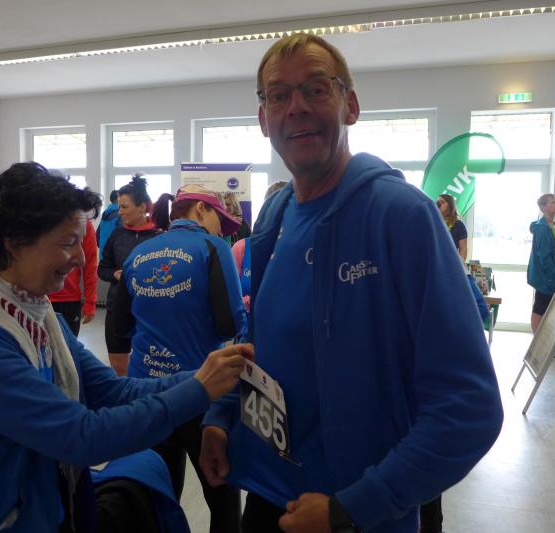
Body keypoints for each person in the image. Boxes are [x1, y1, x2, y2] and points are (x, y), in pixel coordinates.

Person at [199, 34, 503, 533]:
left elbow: (470, 408)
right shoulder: (274, 218)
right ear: (263, 119)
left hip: (361, 512)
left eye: (316, 88)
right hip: (270, 494)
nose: (296, 107)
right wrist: (222, 415)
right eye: (278, 95)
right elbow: (262, 342)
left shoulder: (402, 216)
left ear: (351, 105)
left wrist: (351, 509)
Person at [0, 162, 254, 533]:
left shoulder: (37, 317)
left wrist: (203, 377)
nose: (82, 258)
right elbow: (82, 437)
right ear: (13, 243)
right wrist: (199, 389)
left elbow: (114, 391)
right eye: (68, 243)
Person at [114, 185, 247, 533]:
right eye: (220, 221)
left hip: (147, 390)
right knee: (221, 490)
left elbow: (118, 325)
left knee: (158, 489)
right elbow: (230, 323)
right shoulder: (212, 247)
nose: (221, 231)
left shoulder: (139, 253)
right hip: (201, 388)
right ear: (201, 209)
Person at [98, 175, 160, 375]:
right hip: (117, 308)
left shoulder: (159, 237)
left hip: (149, 310)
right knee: (119, 366)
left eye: (124, 207)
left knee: (150, 364)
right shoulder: (117, 235)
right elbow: (102, 269)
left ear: (142, 207)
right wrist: (114, 274)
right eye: (119, 207)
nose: (120, 212)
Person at [49, 186, 101, 336]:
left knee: (69, 346)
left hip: (68, 299)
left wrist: (90, 302)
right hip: (40, 297)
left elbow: (90, 265)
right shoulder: (46, 224)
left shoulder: (84, 225)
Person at [232, 181, 288, 312]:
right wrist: (250, 302)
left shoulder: (301, 250)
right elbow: (230, 297)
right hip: (248, 323)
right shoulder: (241, 248)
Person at [528, 193, 555, 334]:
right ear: (543, 207)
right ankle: (537, 341)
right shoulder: (542, 228)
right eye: (552, 202)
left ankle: (545, 340)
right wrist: (551, 276)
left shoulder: (553, 225)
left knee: (550, 309)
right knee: (540, 307)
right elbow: (544, 256)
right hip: (549, 275)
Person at [437, 193, 468, 261]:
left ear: (450, 206)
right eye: (438, 202)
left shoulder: (458, 225)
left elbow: (463, 248)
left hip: (450, 262)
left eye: (442, 202)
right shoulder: (434, 222)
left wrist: (460, 265)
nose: (438, 205)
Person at [97, 189, 120, 260]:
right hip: (114, 255)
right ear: (118, 199)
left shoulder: (105, 213)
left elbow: (97, 235)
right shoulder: (120, 214)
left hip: (102, 254)